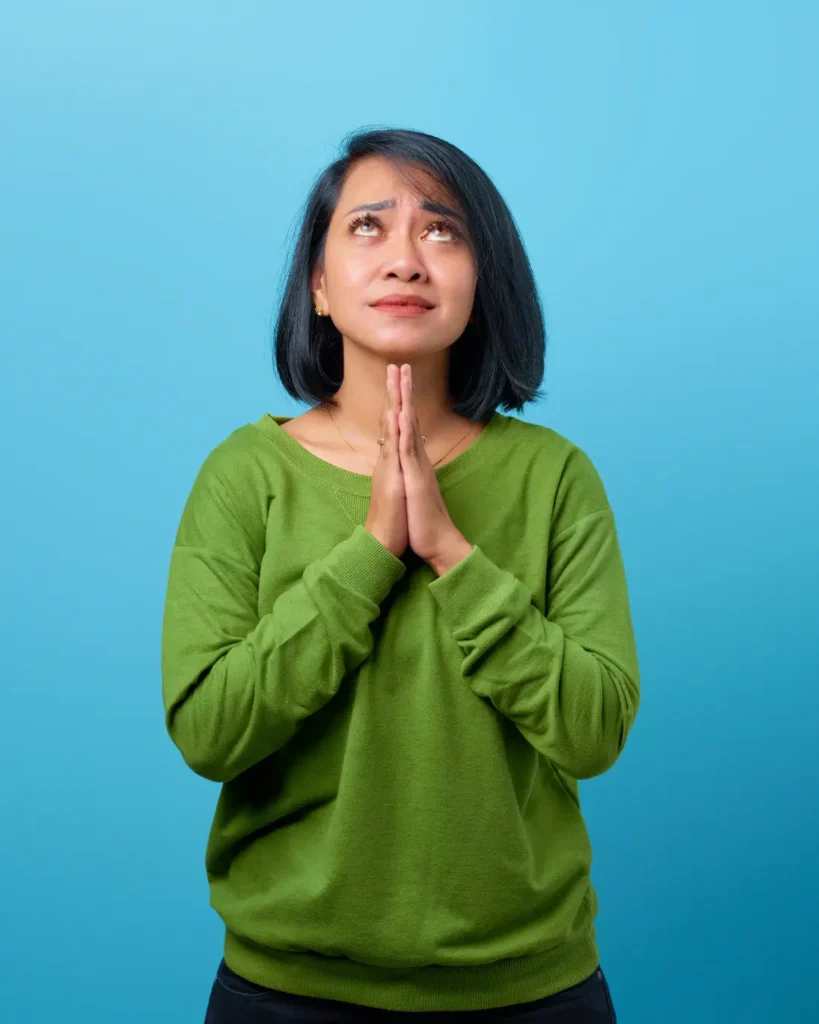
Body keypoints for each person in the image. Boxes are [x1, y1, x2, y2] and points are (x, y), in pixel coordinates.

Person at [161, 126, 638, 1022]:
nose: (407, 259)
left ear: (481, 278)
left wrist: (452, 552)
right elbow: (208, 732)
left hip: (530, 988)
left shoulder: (555, 476)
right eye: (369, 227)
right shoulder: (244, 476)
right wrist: (371, 551)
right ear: (318, 285)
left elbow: (594, 731)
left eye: (443, 230)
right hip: (287, 992)